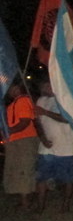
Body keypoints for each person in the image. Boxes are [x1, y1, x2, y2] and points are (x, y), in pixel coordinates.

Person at [34, 80, 73, 213]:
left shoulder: (67, 99)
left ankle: (66, 204)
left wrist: (46, 112)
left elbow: (68, 120)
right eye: (44, 85)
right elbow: (37, 122)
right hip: (47, 148)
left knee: (68, 179)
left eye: (49, 84)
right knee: (42, 177)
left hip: (66, 147)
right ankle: (40, 206)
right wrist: (42, 137)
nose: (46, 87)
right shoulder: (41, 101)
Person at [4, 81, 41, 210]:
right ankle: (24, 200)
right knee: (18, 170)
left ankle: (27, 202)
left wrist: (8, 130)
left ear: (16, 88)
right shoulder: (14, 103)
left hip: (25, 140)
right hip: (16, 141)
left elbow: (24, 122)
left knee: (25, 171)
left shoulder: (23, 101)